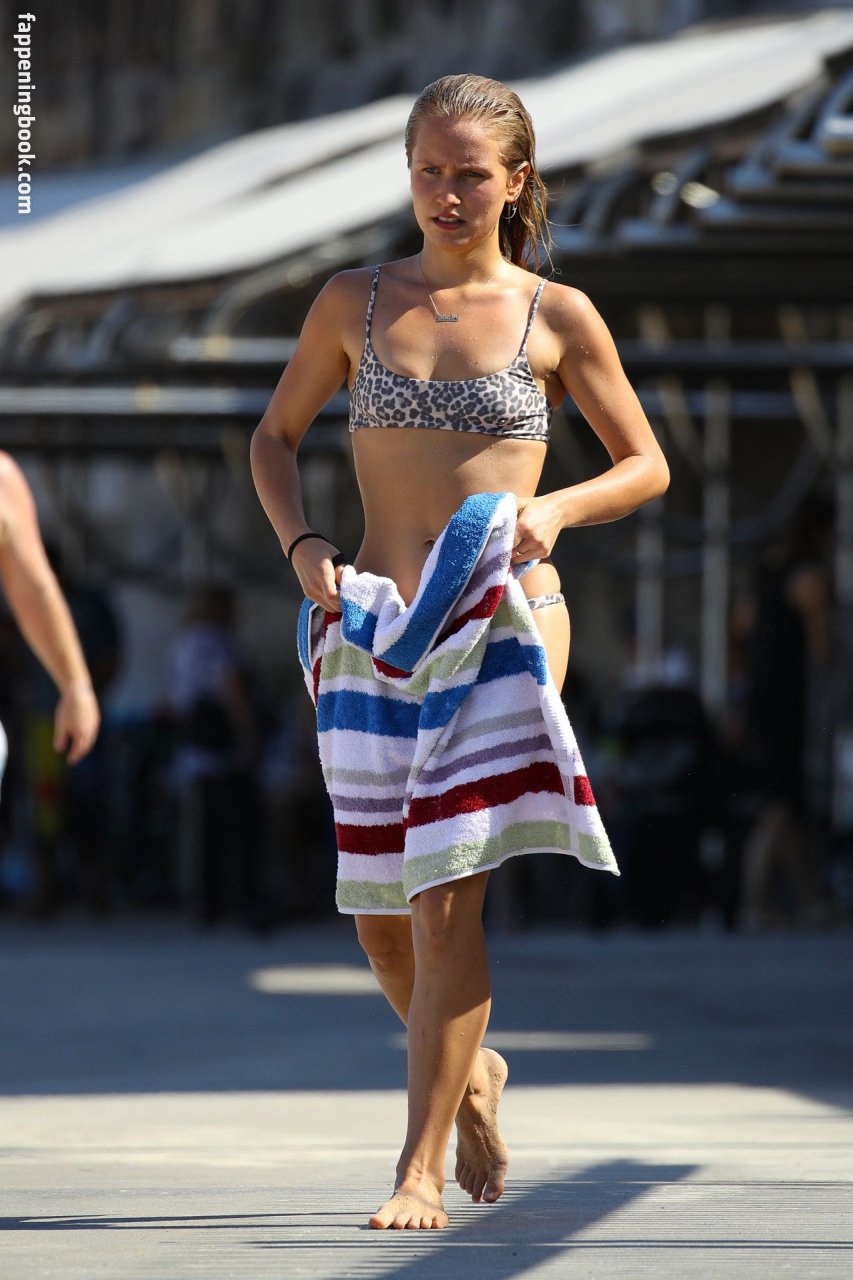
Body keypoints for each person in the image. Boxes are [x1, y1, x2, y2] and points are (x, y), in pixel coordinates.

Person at [251, 74, 669, 1230]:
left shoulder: (557, 313)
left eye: (470, 174)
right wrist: (303, 547)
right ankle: (472, 1074)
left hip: (508, 616)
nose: (446, 192)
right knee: (381, 916)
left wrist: (558, 509)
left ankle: (418, 1168)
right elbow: (274, 436)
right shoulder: (352, 301)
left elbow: (645, 462)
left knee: (443, 897)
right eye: (428, 170)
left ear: (515, 181)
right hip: (375, 624)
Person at [0, 453, 100, 800]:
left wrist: (76, 686)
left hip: (41, 712)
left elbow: (34, 589)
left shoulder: (3, 480)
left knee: (50, 794)